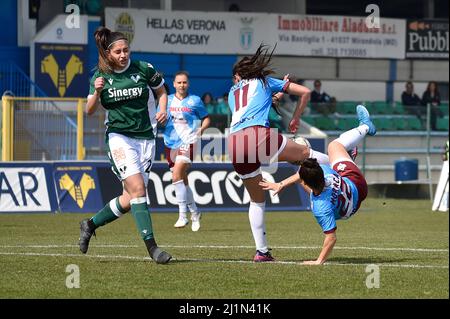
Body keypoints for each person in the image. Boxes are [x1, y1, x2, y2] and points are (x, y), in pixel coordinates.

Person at [227, 44, 330, 262]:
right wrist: (295, 118)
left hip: (234, 143)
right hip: (257, 135)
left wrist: (278, 92)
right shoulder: (264, 81)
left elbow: (259, 105)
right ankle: (342, 164)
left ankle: (261, 252)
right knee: (305, 153)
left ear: (239, 76)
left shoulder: (232, 93)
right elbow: (305, 92)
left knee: (256, 200)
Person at [78, 27, 172, 264]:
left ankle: (89, 224)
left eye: (126, 50)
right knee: (139, 190)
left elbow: (162, 92)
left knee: (129, 199)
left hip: (146, 138)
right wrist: (97, 92)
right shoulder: (100, 76)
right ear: (108, 54)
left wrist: (163, 109)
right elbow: (88, 111)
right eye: (118, 51)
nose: (123, 55)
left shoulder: (144, 68)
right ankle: (153, 248)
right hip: (120, 138)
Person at [260, 105, 377, 265]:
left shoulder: (320, 206)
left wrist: (318, 261)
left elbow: (331, 236)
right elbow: (331, 238)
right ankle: (362, 129)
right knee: (334, 146)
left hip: (348, 208)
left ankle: (358, 139)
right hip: (356, 184)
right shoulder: (325, 171)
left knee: (327, 157)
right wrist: (319, 261)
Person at [161, 71, 211, 231]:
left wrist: (201, 130)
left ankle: (182, 216)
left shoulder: (195, 100)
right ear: (174, 84)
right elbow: (160, 117)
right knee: (182, 178)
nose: (182, 85)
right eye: (179, 82)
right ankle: (195, 212)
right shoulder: (166, 100)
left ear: (188, 84)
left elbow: (206, 118)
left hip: (189, 141)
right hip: (170, 143)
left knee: (176, 175)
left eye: (184, 82)